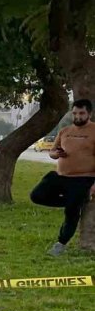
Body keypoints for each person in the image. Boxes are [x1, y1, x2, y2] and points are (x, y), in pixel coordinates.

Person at [30, 98, 95, 256]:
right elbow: (52, 152)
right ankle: (75, 201)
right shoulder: (65, 131)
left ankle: (61, 243)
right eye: (75, 113)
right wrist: (56, 154)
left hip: (83, 178)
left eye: (81, 113)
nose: (77, 117)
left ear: (89, 114)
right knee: (37, 195)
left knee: (71, 212)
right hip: (61, 176)